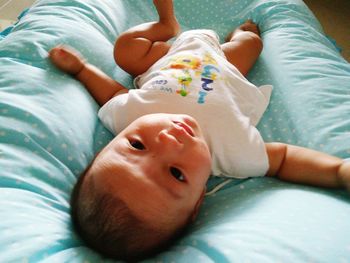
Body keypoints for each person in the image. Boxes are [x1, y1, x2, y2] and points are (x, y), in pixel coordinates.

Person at [48, 0, 350, 260]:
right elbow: (284, 159)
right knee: (251, 44)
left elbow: (112, 93)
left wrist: (81, 69)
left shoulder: (129, 117)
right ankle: (240, 34)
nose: (168, 139)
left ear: (112, 143)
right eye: (176, 174)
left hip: (164, 57)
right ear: (198, 200)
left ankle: (166, 24)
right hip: (226, 64)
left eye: (137, 146)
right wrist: (337, 170)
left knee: (124, 50)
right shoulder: (234, 153)